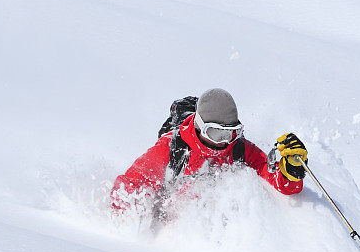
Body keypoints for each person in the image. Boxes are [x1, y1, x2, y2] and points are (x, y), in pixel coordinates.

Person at [110, 88, 308, 213]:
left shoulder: (239, 148)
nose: (223, 141)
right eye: (215, 133)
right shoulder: (171, 148)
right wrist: (130, 214)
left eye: (230, 132)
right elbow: (129, 186)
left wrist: (292, 171)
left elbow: (278, 183)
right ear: (199, 126)